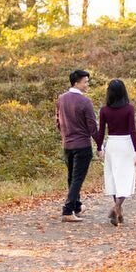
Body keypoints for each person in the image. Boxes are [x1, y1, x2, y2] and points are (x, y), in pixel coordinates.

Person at [55, 69, 101, 223]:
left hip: (67, 144)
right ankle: (67, 210)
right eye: (85, 81)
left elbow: (58, 121)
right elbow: (92, 126)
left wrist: (66, 134)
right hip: (82, 145)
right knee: (77, 178)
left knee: (71, 177)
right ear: (76, 83)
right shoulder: (85, 101)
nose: (87, 84)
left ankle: (77, 206)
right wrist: (100, 144)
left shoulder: (61, 99)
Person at [96, 79, 136, 226]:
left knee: (114, 177)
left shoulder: (104, 110)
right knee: (126, 178)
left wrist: (99, 148)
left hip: (112, 144)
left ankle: (118, 211)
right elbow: (132, 130)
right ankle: (116, 208)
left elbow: (101, 131)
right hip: (126, 144)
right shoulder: (129, 109)